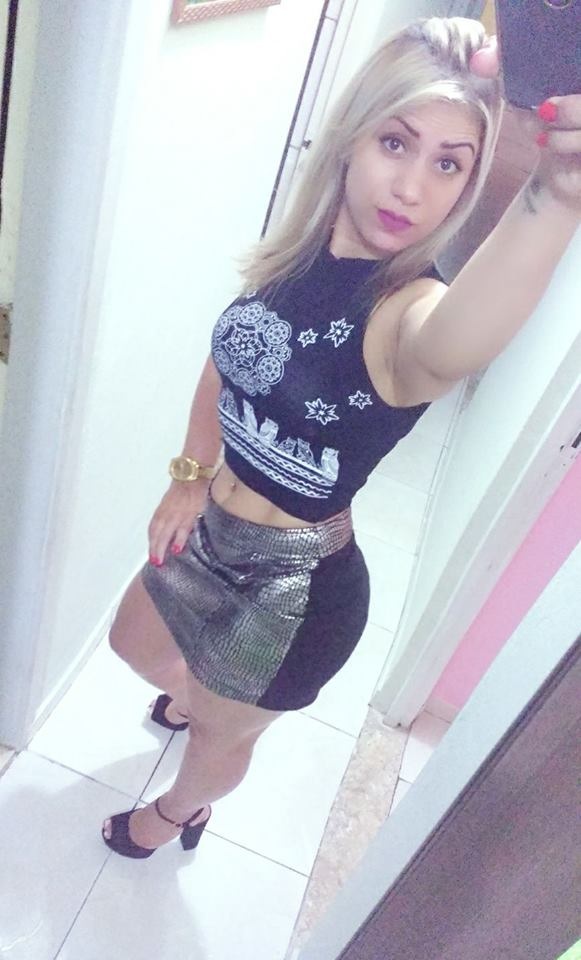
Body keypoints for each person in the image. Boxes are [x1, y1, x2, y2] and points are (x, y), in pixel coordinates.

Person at [102, 17, 581, 857]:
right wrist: (187, 475)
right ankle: (207, 698)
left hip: (292, 595)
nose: (411, 188)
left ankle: (180, 811)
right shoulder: (292, 258)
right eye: (395, 143)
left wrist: (559, 190)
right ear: (352, 138)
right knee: (130, 641)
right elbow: (227, 363)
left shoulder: (410, 315)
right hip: (207, 530)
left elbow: (460, 340)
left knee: (219, 735)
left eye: (448, 164)